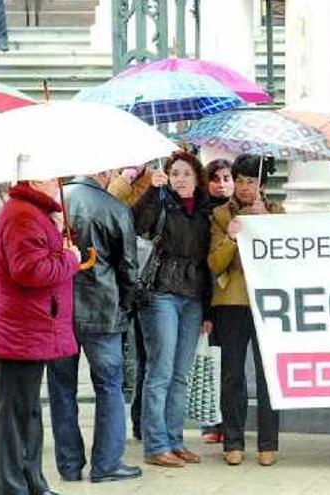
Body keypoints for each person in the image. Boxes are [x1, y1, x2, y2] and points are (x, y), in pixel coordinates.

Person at [46, 171, 143, 484]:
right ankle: (106, 464)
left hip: (58, 311)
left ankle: (69, 465)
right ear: (104, 172)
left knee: (61, 389)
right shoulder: (113, 207)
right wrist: (125, 306)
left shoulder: (54, 203)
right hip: (102, 310)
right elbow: (128, 267)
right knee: (109, 386)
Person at [0, 178, 81, 495]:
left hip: (29, 328)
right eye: (51, 174)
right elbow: (29, 270)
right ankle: (10, 487)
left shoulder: (29, 212)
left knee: (27, 411)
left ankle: (31, 483)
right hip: (23, 330)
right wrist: (71, 258)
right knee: (15, 415)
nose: (59, 180)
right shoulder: (23, 215)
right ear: (34, 178)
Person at [133, 151, 213, 467]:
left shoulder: (206, 211)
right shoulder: (161, 203)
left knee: (181, 375)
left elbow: (207, 264)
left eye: (186, 173)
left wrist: (207, 310)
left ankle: (175, 439)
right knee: (161, 371)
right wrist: (152, 190)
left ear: (197, 179)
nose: (180, 178)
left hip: (193, 296)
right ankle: (155, 445)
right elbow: (136, 222)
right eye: (175, 172)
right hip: (162, 293)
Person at [207, 155, 283, 466]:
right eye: (239, 181)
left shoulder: (278, 213)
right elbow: (214, 264)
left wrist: (265, 222)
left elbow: (287, 258)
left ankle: (268, 443)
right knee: (232, 375)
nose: (244, 187)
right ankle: (233, 441)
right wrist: (232, 237)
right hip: (231, 304)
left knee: (268, 377)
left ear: (262, 184)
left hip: (268, 304)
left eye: (251, 181)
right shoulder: (220, 215)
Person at [107, 164, 154, 441]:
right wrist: (127, 177)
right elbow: (112, 203)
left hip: (146, 274)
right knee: (129, 356)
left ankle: (141, 420)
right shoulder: (116, 177)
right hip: (117, 278)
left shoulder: (158, 178)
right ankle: (133, 421)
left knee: (146, 355)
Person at [200, 157, 234, 444]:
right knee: (212, 361)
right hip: (207, 296)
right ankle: (212, 422)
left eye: (227, 178)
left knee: (229, 364)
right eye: (216, 178)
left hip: (231, 296)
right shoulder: (202, 212)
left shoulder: (238, 212)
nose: (221, 184)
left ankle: (227, 422)